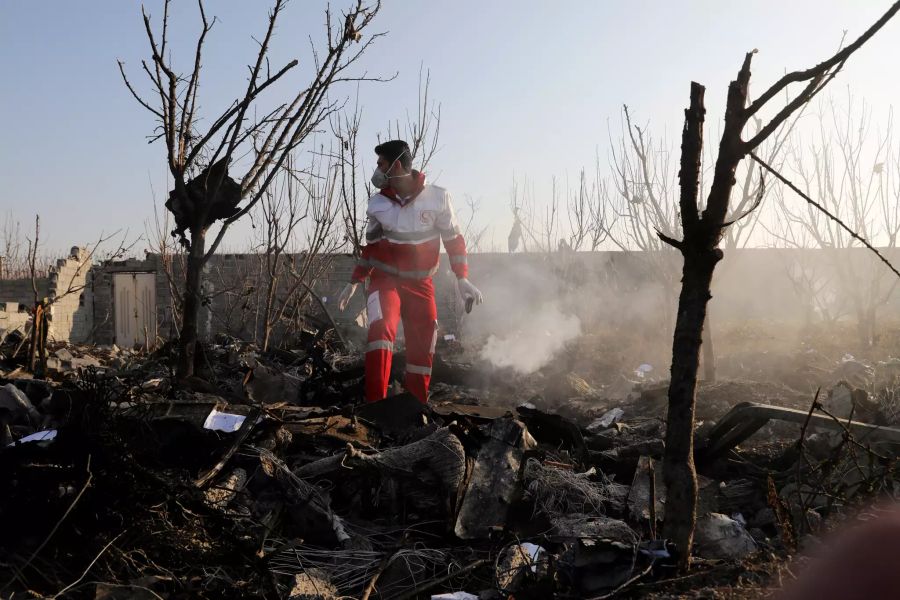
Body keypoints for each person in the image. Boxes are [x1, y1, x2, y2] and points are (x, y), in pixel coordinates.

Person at [338, 140, 483, 403]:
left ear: (397, 164)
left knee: (425, 338)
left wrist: (462, 277)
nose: (377, 170)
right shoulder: (377, 204)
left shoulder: (438, 198)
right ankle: (376, 407)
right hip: (385, 282)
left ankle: (415, 408)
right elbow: (370, 249)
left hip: (421, 283)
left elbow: (453, 240)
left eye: (381, 164)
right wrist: (354, 282)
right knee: (381, 331)